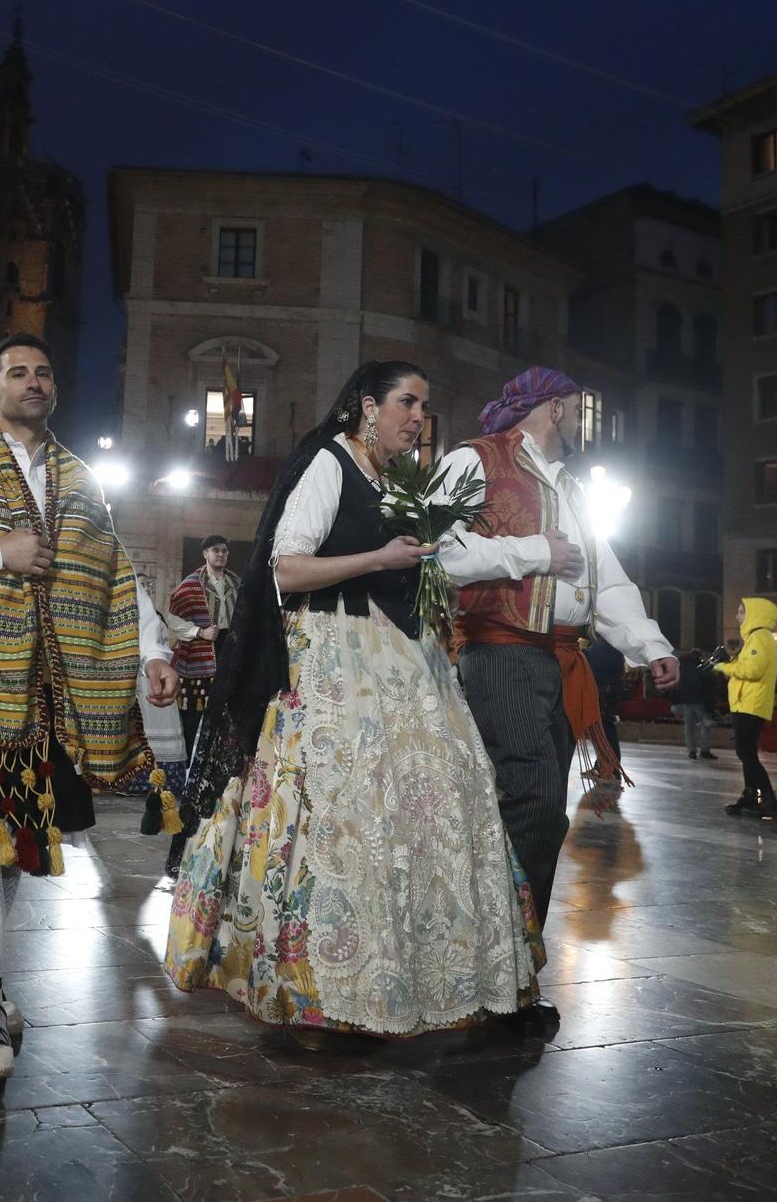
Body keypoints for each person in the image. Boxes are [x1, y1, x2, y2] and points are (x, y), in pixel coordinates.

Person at [168, 361, 541, 1044]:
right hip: (334, 657)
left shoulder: (390, 478)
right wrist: (378, 559)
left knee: (411, 810)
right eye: (406, 401)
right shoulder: (328, 463)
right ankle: (316, 985)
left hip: (398, 657)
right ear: (367, 405)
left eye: (423, 404)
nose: (416, 416)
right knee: (340, 816)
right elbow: (286, 565)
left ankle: (403, 974)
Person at [0, 332, 178, 1070]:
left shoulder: (81, 479)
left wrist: (152, 650)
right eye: (16, 371)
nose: (34, 381)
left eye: (44, 371)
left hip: (57, 692)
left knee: (14, 850)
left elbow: (115, 573)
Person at [434, 366, 678, 1023]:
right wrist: (534, 550)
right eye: (578, 412)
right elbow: (441, 552)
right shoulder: (471, 460)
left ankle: (508, 974)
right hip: (500, 652)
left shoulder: (569, 488)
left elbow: (607, 575)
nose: (583, 426)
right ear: (554, 409)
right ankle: (497, 974)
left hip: (561, 661)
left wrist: (650, 644)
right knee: (533, 806)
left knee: (539, 812)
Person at [163, 534, 239, 874]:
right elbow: (173, 619)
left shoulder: (236, 582)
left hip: (230, 652)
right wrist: (197, 632)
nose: (220, 555)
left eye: (224, 550)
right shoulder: (191, 585)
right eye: (215, 550)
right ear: (205, 553)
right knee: (196, 731)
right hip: (200, 660)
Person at [715, 597, 777, 819]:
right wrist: (732, 662)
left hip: (750, 704)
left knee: (745, 753)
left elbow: (752, 671)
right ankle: (752, 797)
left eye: (741, 612)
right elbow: (748, 666)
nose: (737, 616)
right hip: (747, 703)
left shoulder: (760, 637)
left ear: (753, 614)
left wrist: (723, 667)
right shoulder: (757, 638)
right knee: (748, 753)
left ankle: (770, 802)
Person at [669, 649, 719, 761]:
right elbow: (706, 684)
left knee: (689, 727)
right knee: (706, 725)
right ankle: (705, 750)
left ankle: (691, 751)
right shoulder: (699, 666)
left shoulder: (680, 666)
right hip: (699, 700)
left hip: (685, 701)